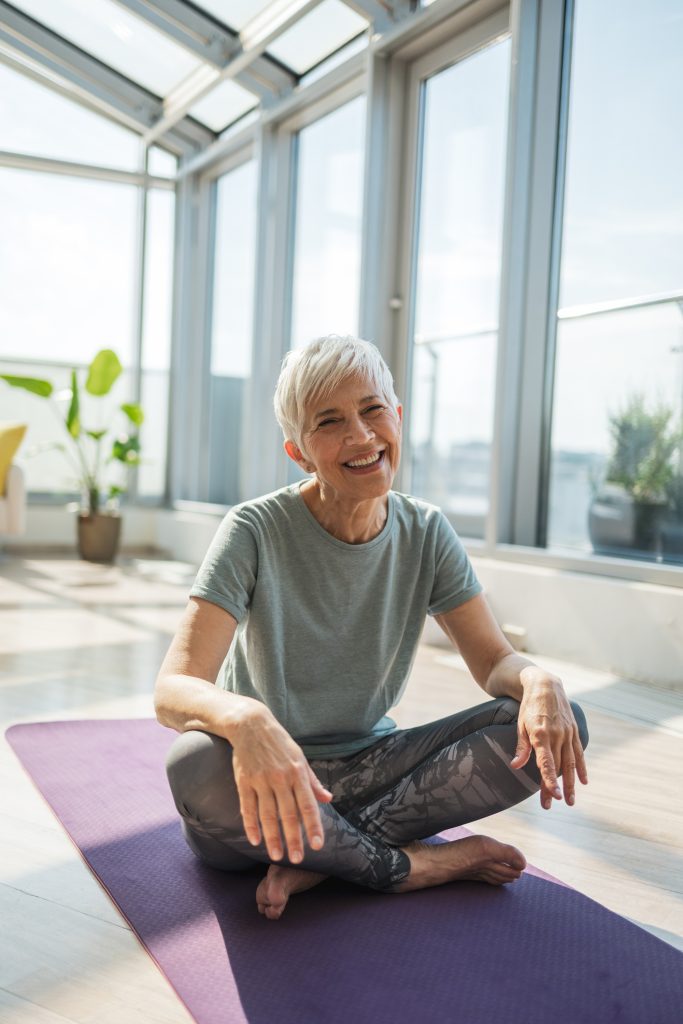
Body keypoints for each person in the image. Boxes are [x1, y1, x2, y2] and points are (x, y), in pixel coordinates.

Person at [155, 334, 589, 920]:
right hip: (264, 780)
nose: (361, 436)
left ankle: (326, 856)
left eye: (373, 409)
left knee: (551, 721)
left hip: (373, 767)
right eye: (330, 422)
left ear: (398, 418)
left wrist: (535, 678)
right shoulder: (253, 529)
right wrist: (248, 719)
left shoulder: (427, 531)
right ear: (300, 452)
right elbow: (174, 689)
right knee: (192, 766)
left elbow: (493, 663)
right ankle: (412, 867)